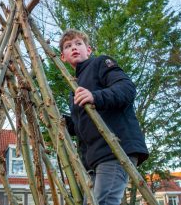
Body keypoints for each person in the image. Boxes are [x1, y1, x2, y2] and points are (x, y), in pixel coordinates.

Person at [60, 29, 149, 205]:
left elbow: (127, 88)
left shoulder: (100, 63)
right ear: (63, 57)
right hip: (93, 162)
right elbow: (83, 126)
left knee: (104, 202)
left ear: (89, 49)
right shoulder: (75, 87)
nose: (74, 48)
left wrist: (96, 97)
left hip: (115, 150)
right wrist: (63, 122)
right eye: (68, 46)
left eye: (79, 44)